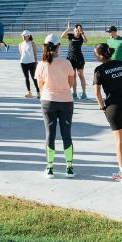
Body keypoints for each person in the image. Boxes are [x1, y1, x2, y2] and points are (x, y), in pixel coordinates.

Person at [93, 43, 122, 183]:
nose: (94, 55)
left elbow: (97, 93)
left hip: (114, 107)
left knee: (120, 141)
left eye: (95, 53)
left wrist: (102, 108)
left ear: (100, 55)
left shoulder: (99, 70)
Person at [35, 34, 75, 178]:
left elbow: (40, 86)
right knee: (66, 135)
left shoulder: (41, 64)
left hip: (48, 101)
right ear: (58, 46)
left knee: (50, 135)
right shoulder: (66, 62)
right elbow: (71, 83)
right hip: (66, 101)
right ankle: (69, 167)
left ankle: (50, 168)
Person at [61, 22, 88, 100]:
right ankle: (74, 93)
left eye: (78, 30)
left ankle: (84, 93)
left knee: (80, 75)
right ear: (74, 30)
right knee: (73, 76)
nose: (77, 31)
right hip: (71, 58)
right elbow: (62, 36)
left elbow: (86, 41)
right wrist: (68, 28)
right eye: (76, 29)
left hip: (79, 57)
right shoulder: (71, 36)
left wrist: (82, 32)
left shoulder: (81, 37)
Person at [18, 30, 39, 97]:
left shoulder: (32, 43)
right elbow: (21, 53)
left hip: (31, 62)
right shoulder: (20, 44)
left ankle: (38, 92)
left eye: (25, 36)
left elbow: (35, 53)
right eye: (23, 36)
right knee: (26, 77)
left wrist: (36, 61)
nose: (23, 37)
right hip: (23, 62)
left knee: (34, 77)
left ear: (29, 36)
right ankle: (29, 92)